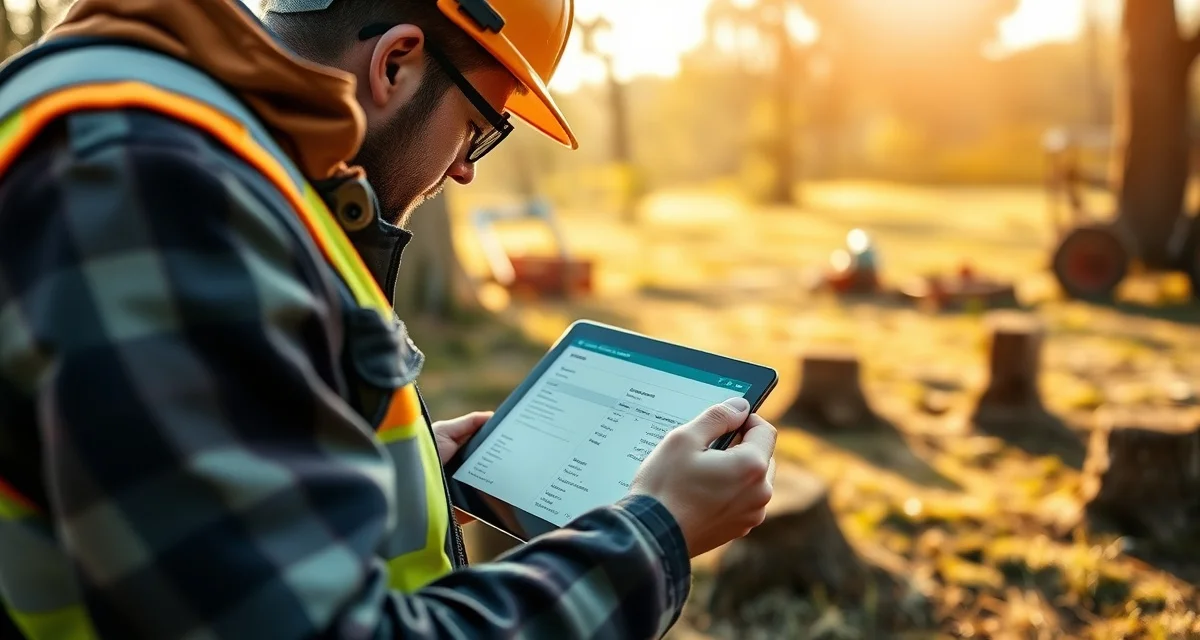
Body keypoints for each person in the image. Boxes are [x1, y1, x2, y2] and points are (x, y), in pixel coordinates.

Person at [0, 0, 779, 638]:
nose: (467, 168)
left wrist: (386, 470)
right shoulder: (154, 188)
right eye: (482, 127)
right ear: (396, 63)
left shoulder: (188, 149)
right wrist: (653, 535)